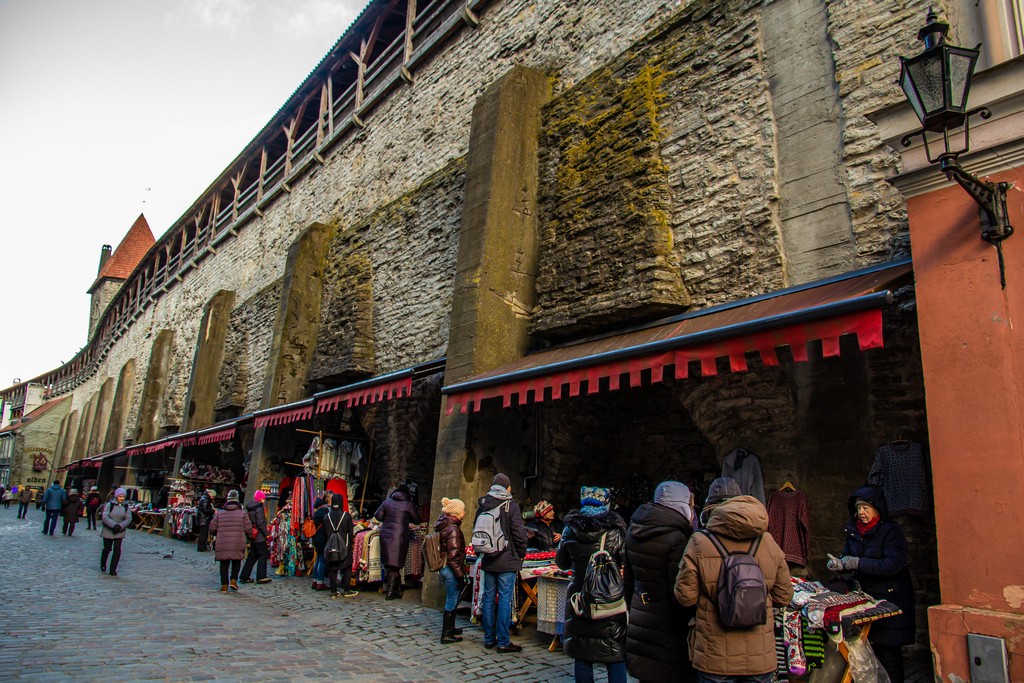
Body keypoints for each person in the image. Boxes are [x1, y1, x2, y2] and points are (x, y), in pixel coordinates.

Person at [674, 494, 793, 683]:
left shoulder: (700, 542)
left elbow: (685, 597)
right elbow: (784, 596)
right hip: (759, 654)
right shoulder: (768, 542)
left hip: (714, 653)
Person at [827, 484, 916, 683]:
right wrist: (840, 564)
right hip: (866, 600)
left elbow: (893, 564)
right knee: (869, 652)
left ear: (877, 508)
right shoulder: (853, 531)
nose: (861, 513)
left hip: (890, 598)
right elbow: (849, 557)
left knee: (888, 654)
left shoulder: (890, 531)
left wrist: (857, 563)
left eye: (866, 508)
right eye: (858, 508)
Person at [624, 481, 697, 683]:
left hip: (641, 614)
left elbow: (629, 581)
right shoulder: (677, 537)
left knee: (647, 674)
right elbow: (679, 590)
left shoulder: (633, 529)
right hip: (668, 624)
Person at [557, 486, 629, 683]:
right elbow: (625, 562)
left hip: (579, 594)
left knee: (582, 650)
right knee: (614, 650)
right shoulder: (615, 531)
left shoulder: (570, 529)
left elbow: (561, 562)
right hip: (608, 593)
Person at [475, 472, 529, 653]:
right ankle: (504, 641)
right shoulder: (510, 506)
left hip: (488, 558)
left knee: (488, 598)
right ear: (507, 487)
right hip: (507, 558)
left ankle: (489, 638)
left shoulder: (482, 504)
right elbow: (518, 533)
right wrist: (521, 553)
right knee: (505, 599)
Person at [373, 484, 419, 600]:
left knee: (391, 564)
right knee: (395, 565)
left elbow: (378, 516)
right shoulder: (408, 504)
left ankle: (397, 590)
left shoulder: (387, 502)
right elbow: (417, 520)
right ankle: (390, 593)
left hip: (385, 534)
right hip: (399, 536)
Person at [436, 496, 468, 644]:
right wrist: (461, 575)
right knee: (452, 599)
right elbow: (454, 555)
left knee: (453, 597)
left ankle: (451, 628)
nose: (465, 512)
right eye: (463, 510)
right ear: (456, 513)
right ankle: (446, 633)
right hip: (451, 569)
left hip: (445, 567)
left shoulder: (445, 525)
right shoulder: (453, 529)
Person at [208, 489, 252, 593]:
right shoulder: (243, 514)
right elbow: (248, 528)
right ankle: (233, 580)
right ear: (237, 500)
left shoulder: (220, 513)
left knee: (224, 563)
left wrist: (217, 534)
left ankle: (224, 585)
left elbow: (212, 527)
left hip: (223, 542)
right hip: (238, 541)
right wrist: (249, 537)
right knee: (236, 561)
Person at [323, 493, 355, 599]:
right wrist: (350, 544)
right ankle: (346, 589)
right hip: (344, 546)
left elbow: (326, 532)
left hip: (331, 546)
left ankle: (333, 591)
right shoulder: (346, 516)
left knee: (332, 568)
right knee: (347, 567)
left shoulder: (327, 516)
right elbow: (350, 533)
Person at [239, 490, 272, 585]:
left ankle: (244, 575)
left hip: (253, 535)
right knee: (263, 554)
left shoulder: (250, 508)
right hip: (259, 536)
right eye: (264, 499)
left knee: (252, 556)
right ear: (260, 499)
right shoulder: (259, 509)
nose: (264, 501)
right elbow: (261, 523)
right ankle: (261, 576)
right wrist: (267, 534)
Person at [100, 488, 133, 576]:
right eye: (120, 496)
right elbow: (105, 517)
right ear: (116, 496)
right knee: (107, 549)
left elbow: (129, 518)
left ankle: (113, 569)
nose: (122, 498)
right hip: (108, 529)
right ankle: (103, 563)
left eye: (123, 496)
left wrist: (120, 526)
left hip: (120, 531)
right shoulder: (109, 505)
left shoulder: (126, 506)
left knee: (117, 550)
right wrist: (114, 525)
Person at [310, 497, 330, 591]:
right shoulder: (324, 511)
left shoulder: (317, 510)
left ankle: (315, 581)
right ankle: (320, 582)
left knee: (318, 559)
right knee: (322, 559)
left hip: (316, 537)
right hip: (322, 537)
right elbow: (327, 523)